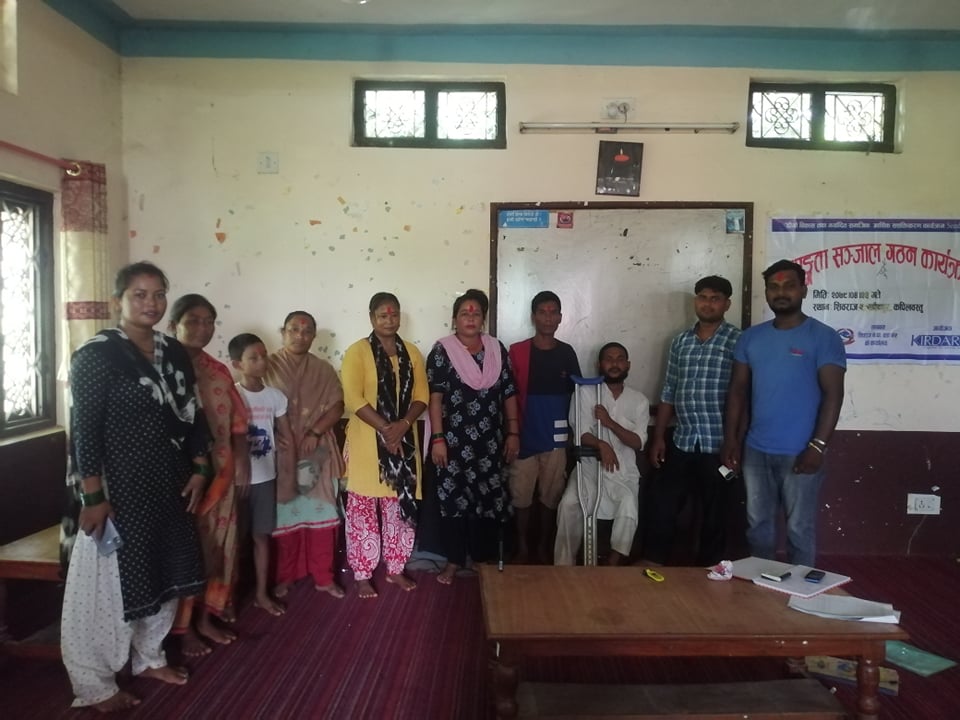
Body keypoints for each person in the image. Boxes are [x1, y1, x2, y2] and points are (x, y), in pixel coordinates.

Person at [60, 262, 209, 712]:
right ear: (117, 301)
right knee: (109, 587)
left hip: (168, 483)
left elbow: (193, 412)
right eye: (139, 294)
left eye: (158, 294)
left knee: (164, 572)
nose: (151, 303)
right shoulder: (96, 356)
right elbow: (85, 430)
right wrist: (93, 497)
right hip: (117, 490)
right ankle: (95, 685)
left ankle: (149, 657)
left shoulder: (173, 351)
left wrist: (200, 467)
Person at [721, 259, 846, 567]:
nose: (781, 293)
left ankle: (799, 593)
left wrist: (818, 446)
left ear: (803, 290)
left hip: (801, 451)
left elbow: (834, 395)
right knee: (758, 528)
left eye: (789, 286)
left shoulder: (823, 337)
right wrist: (732, 440)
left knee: (799, 529)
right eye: (773, 287)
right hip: (756, 450)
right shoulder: (751, 338)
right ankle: (759, 589)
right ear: (766, 292)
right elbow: (737, 391)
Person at [168, 294, 251, 657]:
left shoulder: (217, 371)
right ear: (173, 325)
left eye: (209, 322)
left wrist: (242, 463)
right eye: (193, 321)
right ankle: (181, 628)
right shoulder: (161, 369)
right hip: (179, 479)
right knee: (187, 553)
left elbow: (238, 424)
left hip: (221, 474)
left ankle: (205, 618)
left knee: (219, 549)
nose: (202, 329)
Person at [645, 276, 742, 566]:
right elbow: (669, 389)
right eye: (702, 297)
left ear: (727, 304)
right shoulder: (681, 342)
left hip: (719, 444)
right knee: (663, 503)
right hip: (683, 440)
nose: (707, 304)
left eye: (715, 298)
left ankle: (711, 568)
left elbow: (743, 394)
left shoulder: (738, 341)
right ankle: (655, 561)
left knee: (716, 512)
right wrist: (659, 437)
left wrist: (735, 441)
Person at [427, 289, 519, 585]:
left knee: (487, 501)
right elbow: (435, 398)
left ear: (483, 319)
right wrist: (438, 439)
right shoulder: (442, 350)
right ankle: (454, 561)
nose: (470, 318)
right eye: (464, 313)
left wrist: (513, 432)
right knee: (452, 502)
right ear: (454, 319)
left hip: (489, 442)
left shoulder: (495, 349)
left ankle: (480, 559)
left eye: (476, 313)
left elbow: (508, 392)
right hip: (452, 444)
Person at [341, 293, 429, 598]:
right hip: (366, 444)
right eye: (382, 315)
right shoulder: (357, 352)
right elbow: (353, 399)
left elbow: (422, 396)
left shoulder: (412, 353)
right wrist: (387, 430)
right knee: (362, 510)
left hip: (404, 442)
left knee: (399, 507)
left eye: (394, 315)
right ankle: (362, 574)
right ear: (371, 318)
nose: (389, 320)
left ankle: (395, 568)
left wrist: (402, 426)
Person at [265, 311, 346, 599]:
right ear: (282, 332)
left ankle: (324, 577)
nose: (300, 335)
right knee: (286, 517)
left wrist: (314, 432)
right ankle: (286, 576)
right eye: (294, 329)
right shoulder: (266, 366)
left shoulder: (323, 369)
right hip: (282, 455)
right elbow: (253, 403)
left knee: (321, 513)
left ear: (313, 335)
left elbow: (338, 406)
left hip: (317, 452)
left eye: (307, 330)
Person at [555, 343, 649, 566]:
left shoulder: (639, 400)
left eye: (620, 359)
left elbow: (638, 442)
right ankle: (563, 566)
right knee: (568, 504)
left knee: (628, 504)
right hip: (588, 468)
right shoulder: (585, 393)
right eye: (609, 359)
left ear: (628, 365)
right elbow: (580, 431)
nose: (614, 364)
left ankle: (612, 565)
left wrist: (609, 423)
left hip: (622, 471)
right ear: (599, 364)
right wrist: (601, 444)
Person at [508, 291, 581, 564]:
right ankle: (522, 547)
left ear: (560, 318)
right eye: (542, 312)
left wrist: (573, 435)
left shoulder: (567, 352)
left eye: (553, 313)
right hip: (524, 434)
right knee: (521, 496)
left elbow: (577, 395)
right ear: (533, 317)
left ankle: (542, 547)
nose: (548, 318)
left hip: (557, 437)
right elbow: (507, 395)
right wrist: (512, 433)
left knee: (551, 496)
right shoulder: (517, 351)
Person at [230, 333, 294, 616]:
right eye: (253, 358)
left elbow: (286, 435)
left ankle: (261, 594)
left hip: (266, 477)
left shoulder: (275, 396)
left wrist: (285, 448)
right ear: (237, 364)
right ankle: (227, 600)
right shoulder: (231, 395)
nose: (261, 362)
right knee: (233, 541)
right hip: (236, 480)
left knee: (261, 536)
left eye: (263, 356)